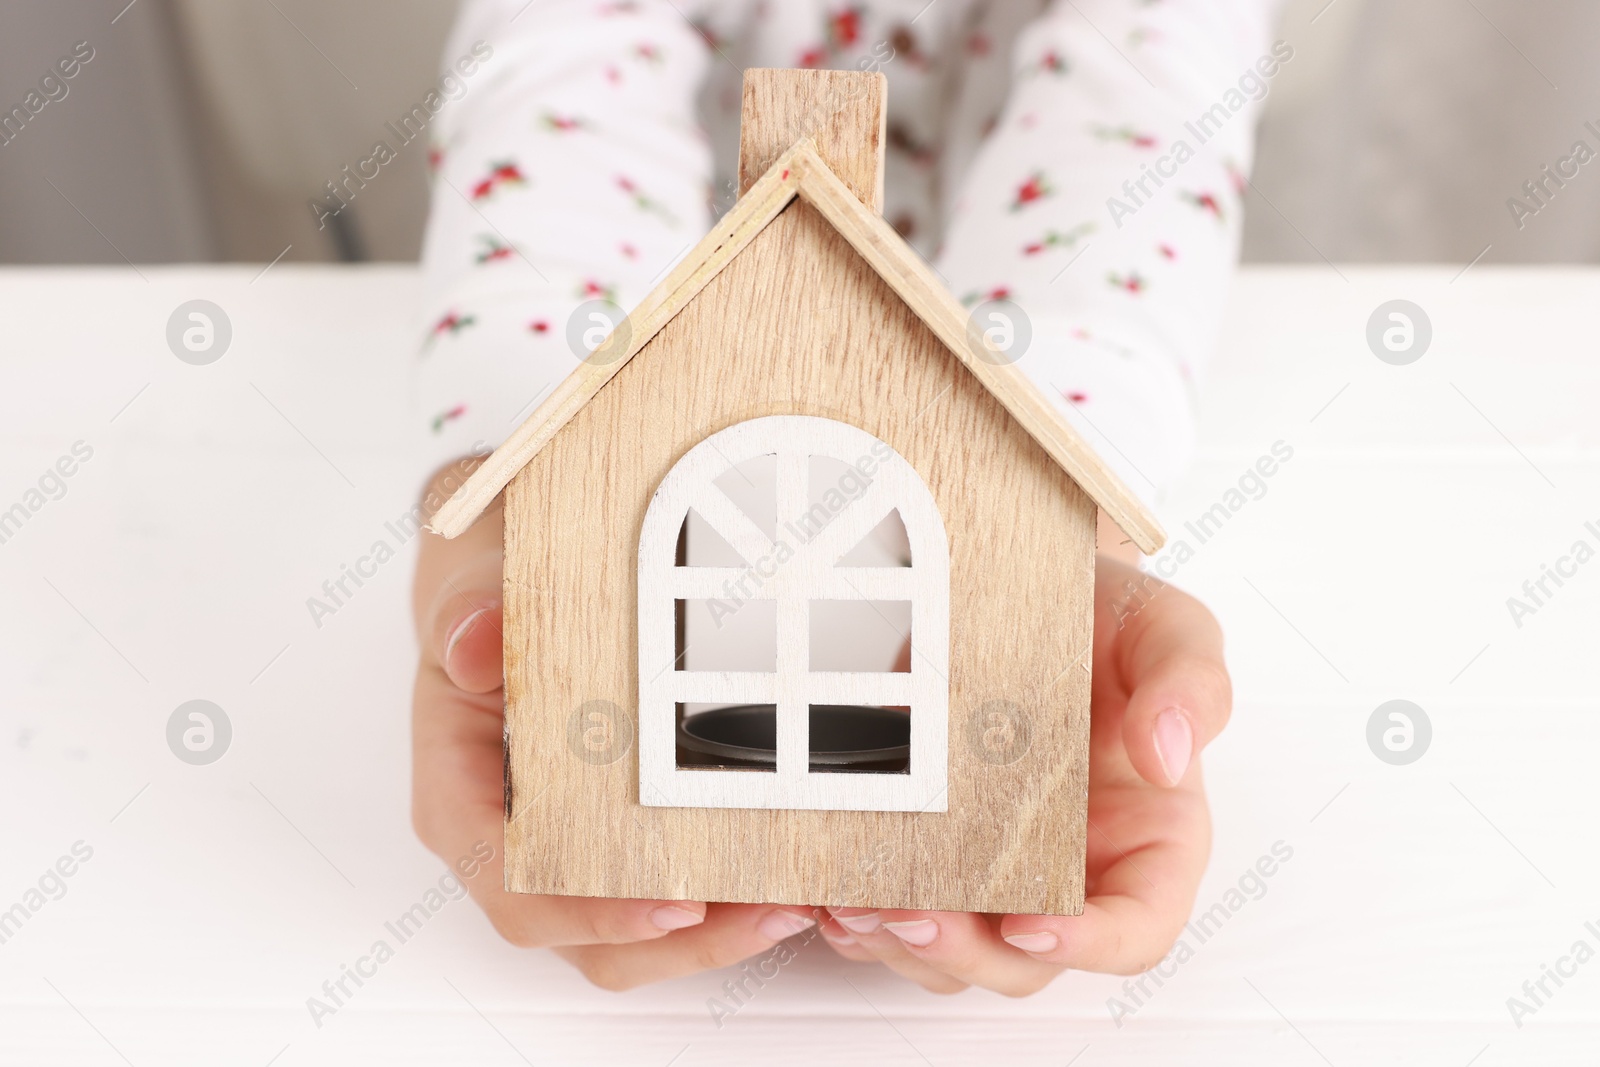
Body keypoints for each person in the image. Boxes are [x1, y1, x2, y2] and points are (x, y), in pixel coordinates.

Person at [410, 0, 1275, 995]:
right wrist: (517, 483)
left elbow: (1142, 99)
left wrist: (1056, 494)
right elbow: (560, 80)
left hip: (1030, 346)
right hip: (655, 334)